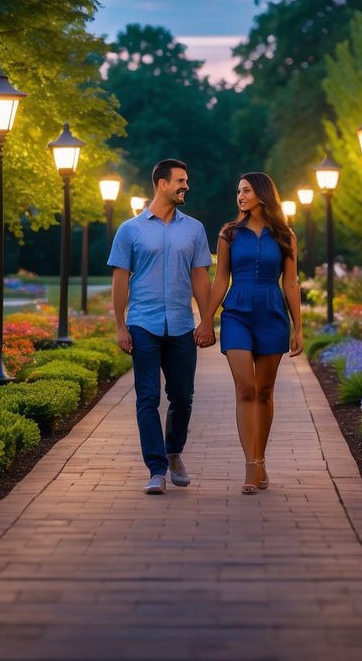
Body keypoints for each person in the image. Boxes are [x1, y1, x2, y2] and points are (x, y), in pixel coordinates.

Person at [109, 159, 215, 495]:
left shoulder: (194, 229)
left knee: (182, 397)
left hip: (182, 324)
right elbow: (120, 280)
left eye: (186, 181)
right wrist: (120, 325)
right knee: (147, 398)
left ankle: (174, 453)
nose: (186, 187)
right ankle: (156, 469)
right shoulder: (130, 230)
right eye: (181, 181)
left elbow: (201, 277)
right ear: (162, 183)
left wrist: (207, 320)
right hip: (143, 323)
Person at [195, 172, 303, 494]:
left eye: (246, 190)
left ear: (263, 194)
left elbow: (291, 284)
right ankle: (250, 466)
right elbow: (219, 281)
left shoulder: (285, 235)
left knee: (265, 392)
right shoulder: (229, 234)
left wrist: (298, 328)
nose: (240, 196)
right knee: (245, 388)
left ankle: (261, 458)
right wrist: (205, 320)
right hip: (237, 314)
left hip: (272, 314)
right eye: (238, 191)